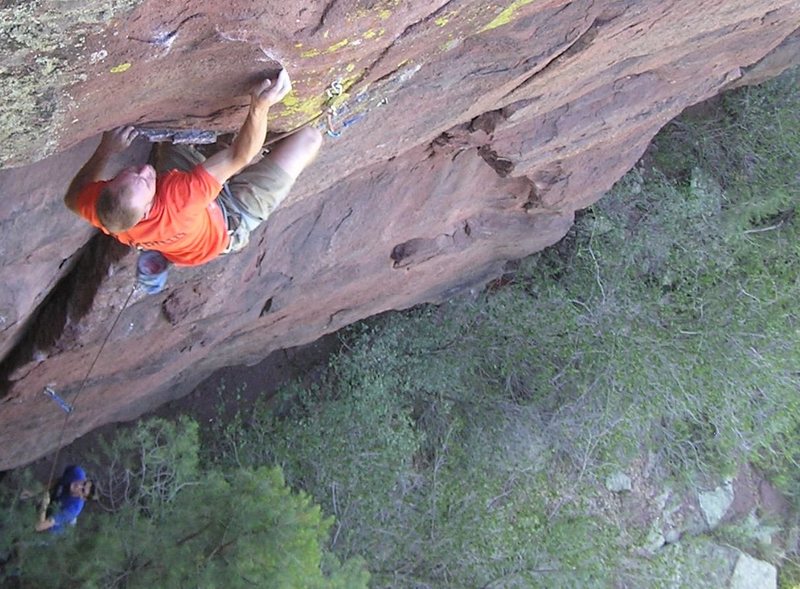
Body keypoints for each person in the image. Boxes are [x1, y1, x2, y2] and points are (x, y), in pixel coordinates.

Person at [64, 68, 323, 266]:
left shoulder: (104, 208)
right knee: (309, 138)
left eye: (129, 172)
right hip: (228, 219)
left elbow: (72, 198)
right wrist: (260, 106)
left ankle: (212, 163)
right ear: (146, 210)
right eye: (144, 181)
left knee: (182, 129)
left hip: (189, 225)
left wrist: (105, 150)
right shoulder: (178, 199)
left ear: (108, 186)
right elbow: (239, 157)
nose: (143, 169)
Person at [35, 465, 95, 533]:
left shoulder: (71, 510)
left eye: (82, 490)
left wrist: (44, 505)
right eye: (84, 483)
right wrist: (38, 490)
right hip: (57, 501)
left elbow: (39, 526)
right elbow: (60, 480)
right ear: (85, 479)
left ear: (83, 498)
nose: (79, 486)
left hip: (53, 528)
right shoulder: (76, 472)